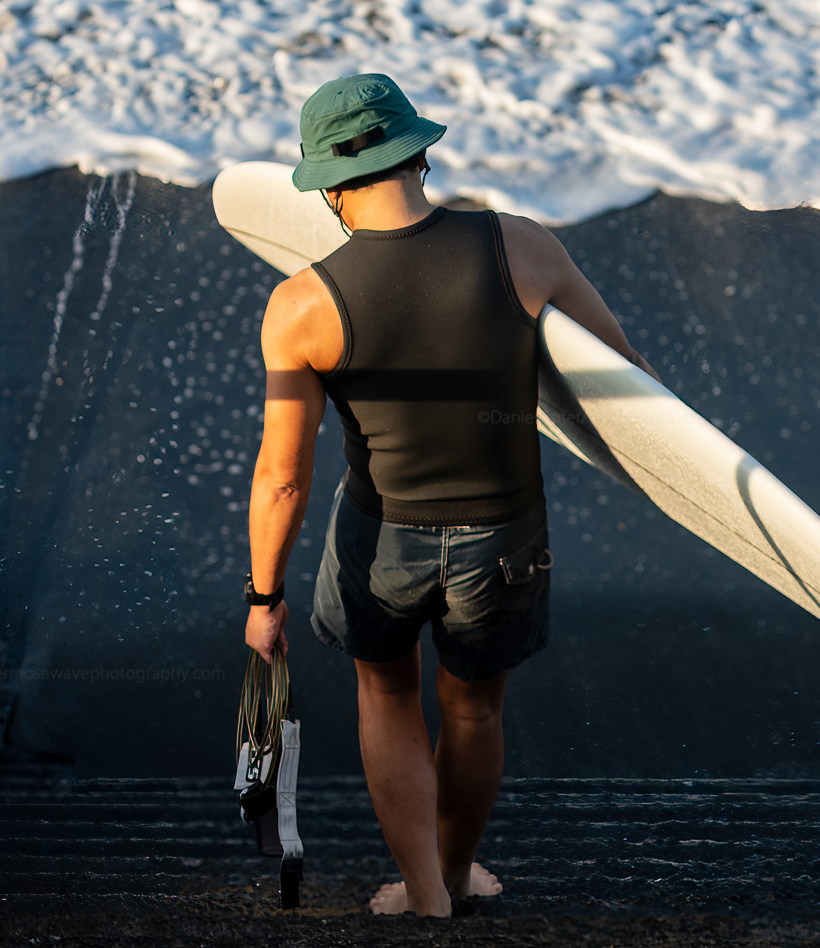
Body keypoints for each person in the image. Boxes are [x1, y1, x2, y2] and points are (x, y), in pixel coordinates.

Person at [241, 73, 656, 917]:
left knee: (385, 693)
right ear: (420, 153)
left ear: (327, 186)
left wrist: (264, 596)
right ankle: (460, 872)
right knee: (472, 711)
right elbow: (627, 379)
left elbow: (282, 474)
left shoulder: (300, 305)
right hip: (502, 538)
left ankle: (424, 894)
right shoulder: (523, 247)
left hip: (377, 539)